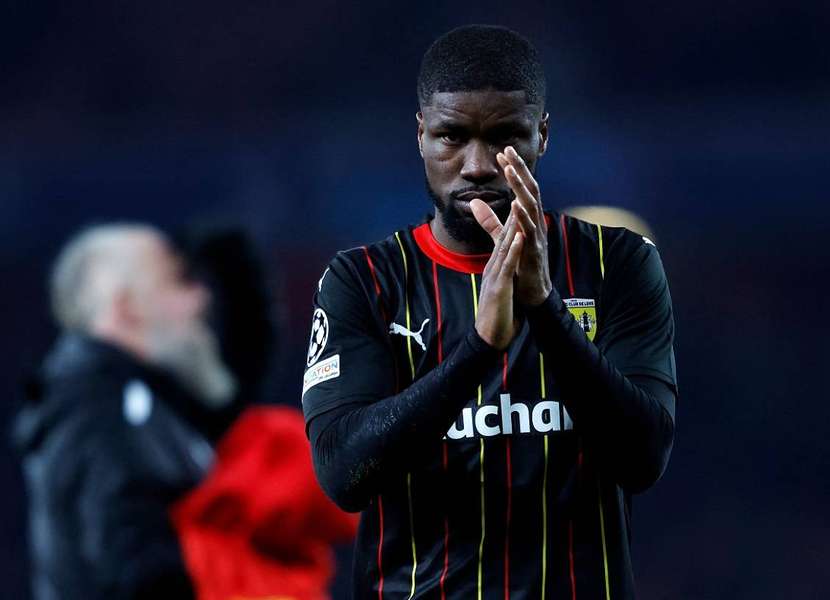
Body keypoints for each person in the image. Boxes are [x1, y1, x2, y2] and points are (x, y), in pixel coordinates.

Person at [302, 24, 677, 600]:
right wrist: (477, 352)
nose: (477, 166)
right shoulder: (362, 281)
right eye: (452, 137)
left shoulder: (618, 263)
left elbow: (643, 458)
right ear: (421, 134)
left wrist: (546, 312)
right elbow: (344, 474)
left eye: (504, 136)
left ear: (541, 136)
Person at [13, 223, 233, 599]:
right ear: (126, 306)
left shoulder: (137, 404)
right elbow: (135, 567)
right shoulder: (102, 408)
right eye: (176, 281)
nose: (199, 298)